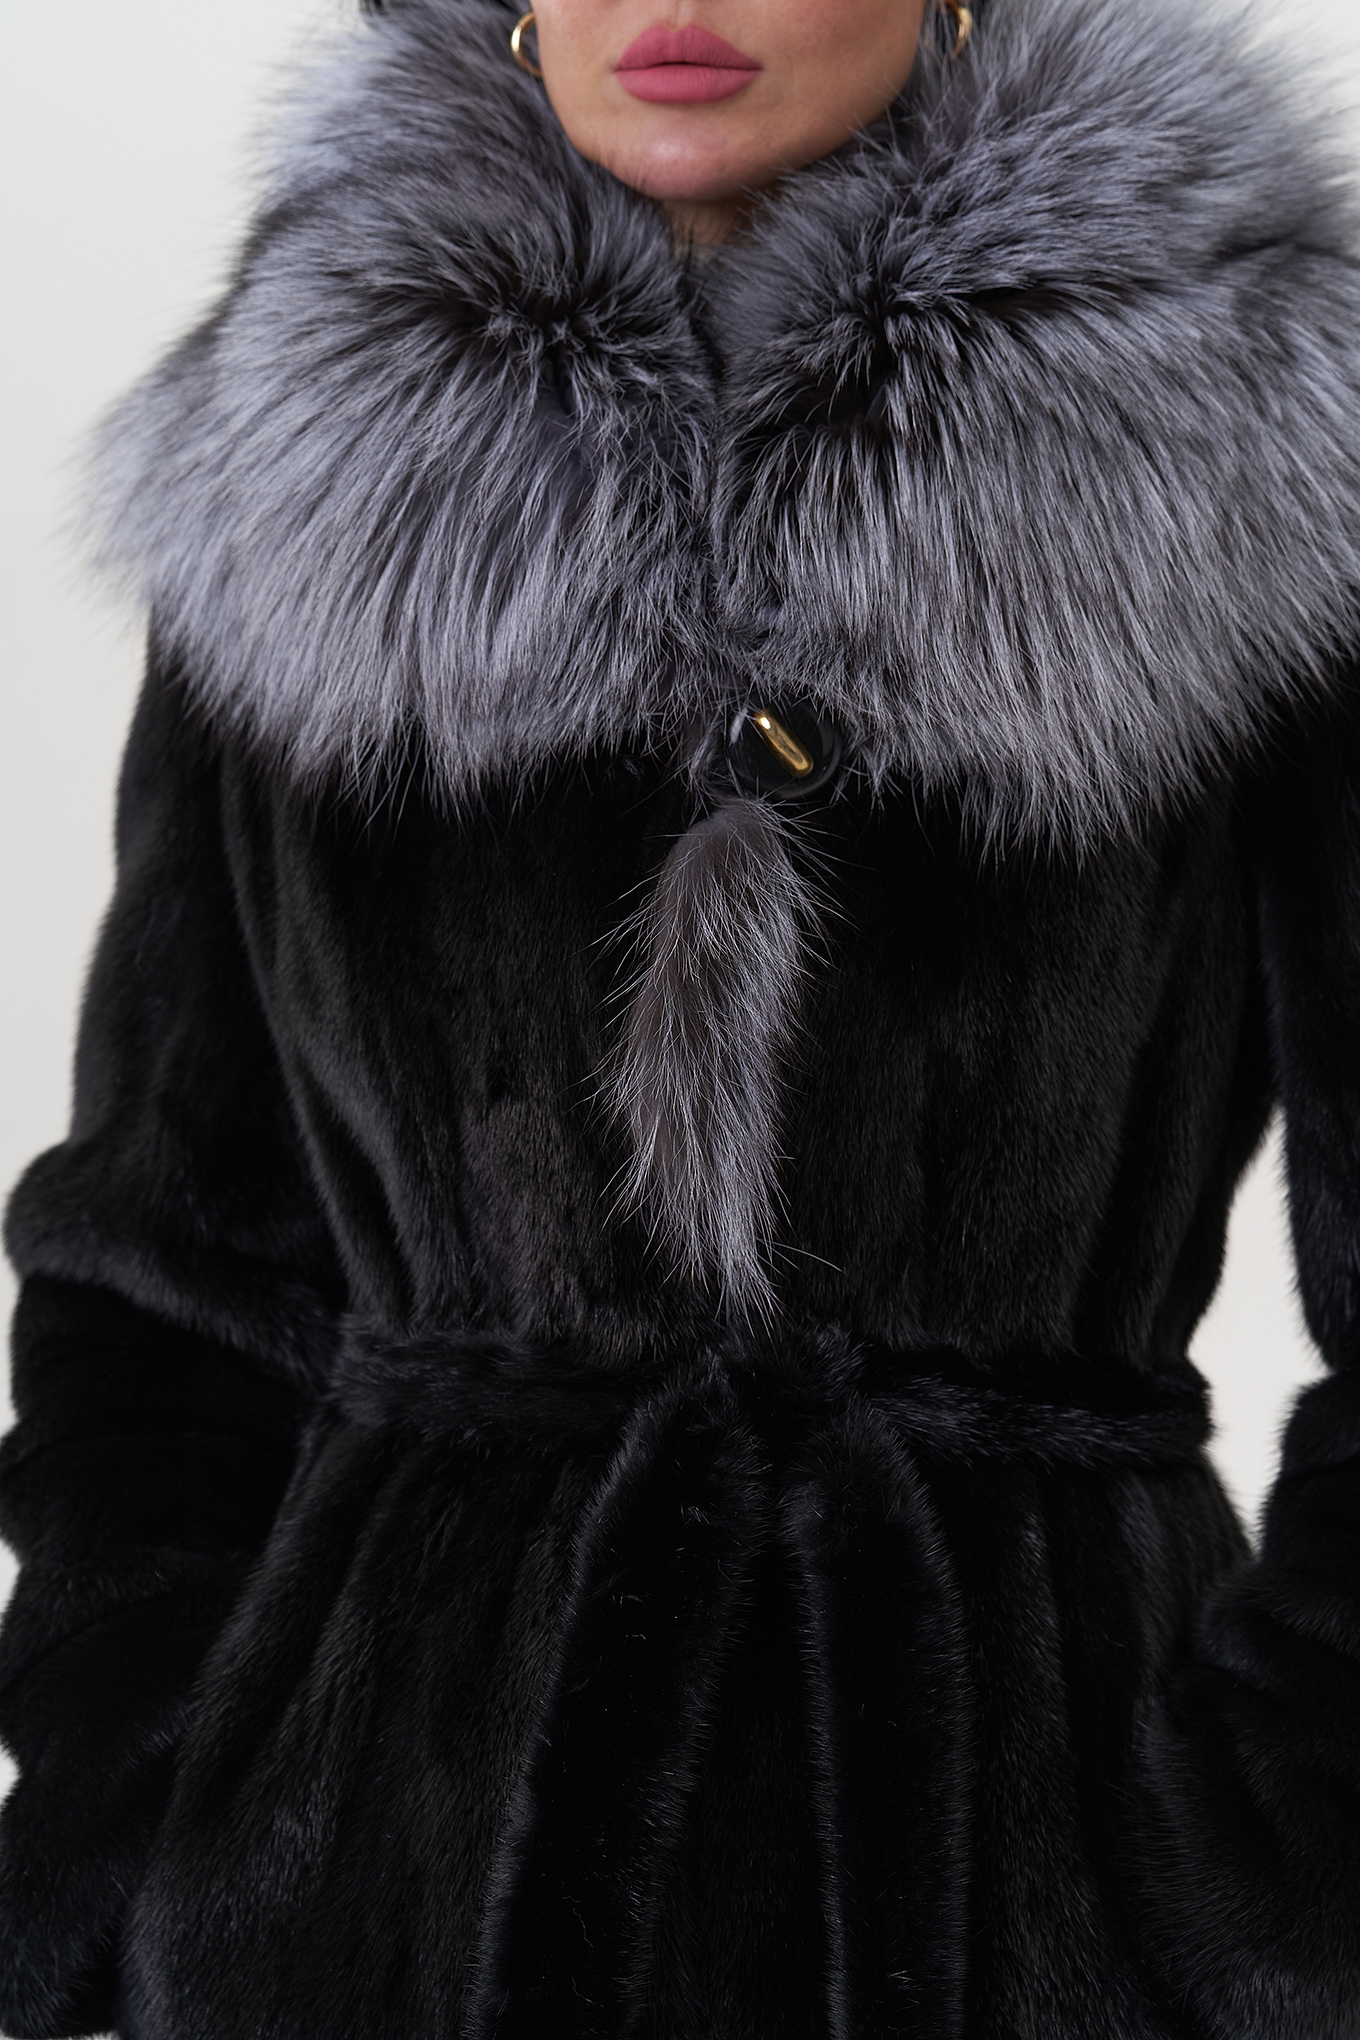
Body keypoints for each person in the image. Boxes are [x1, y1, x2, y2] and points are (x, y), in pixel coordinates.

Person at [5, 0, 1360, 2031]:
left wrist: (1269, 1889)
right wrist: (139, 1832)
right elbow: (161, 1274)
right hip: (377, 1915)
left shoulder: (1260, 455)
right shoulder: (294, 470)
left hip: (1021, 1882)